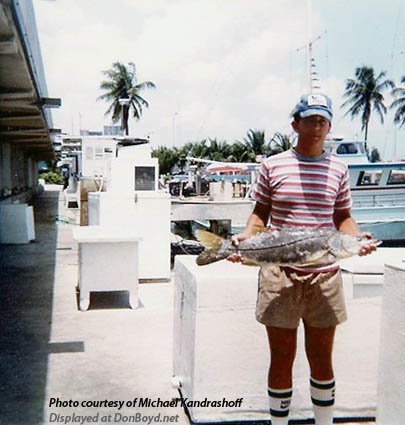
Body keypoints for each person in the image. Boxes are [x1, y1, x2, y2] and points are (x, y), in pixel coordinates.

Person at [228, 93, 378, 425]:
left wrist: (357, 238)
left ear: (329, 127)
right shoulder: (273, 164)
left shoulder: (339, 168)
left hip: (325, 274)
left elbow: (343, 216)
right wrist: (245, 241)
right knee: (281, 358)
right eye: (309, 120)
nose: (316, 127)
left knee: (322, 358)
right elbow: (259, 214)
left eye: (322, 121)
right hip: (278, 273)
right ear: (295, 123)